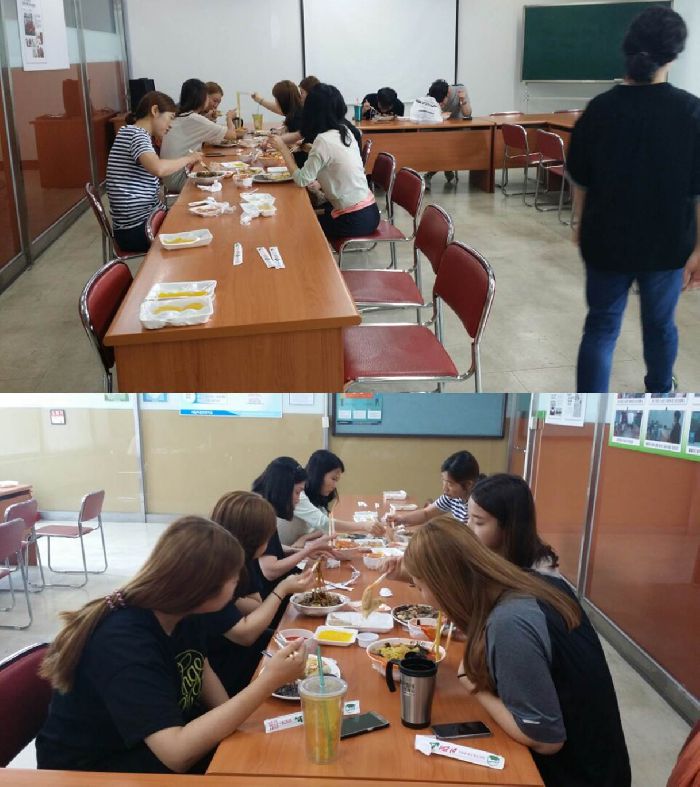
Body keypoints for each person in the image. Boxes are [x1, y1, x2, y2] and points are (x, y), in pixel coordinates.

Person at [36, 517, 306, 774]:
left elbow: (200, 669)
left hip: (157, 748)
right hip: (97, 771)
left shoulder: (184, 612)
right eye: (234, 578)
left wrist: (238, 725)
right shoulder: (123, 641)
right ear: (202, 588)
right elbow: (177, 754)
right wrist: (268, 681)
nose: (239, 584)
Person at [403, 519, 631, 787]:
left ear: (446, 585)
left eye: (420, 587)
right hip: (606, 763)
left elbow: (545, 740)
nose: (423, 597)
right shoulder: (533, 582)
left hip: (576, 774)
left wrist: (473, 685)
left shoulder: (508, 623)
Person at [567, 6, 700, 393]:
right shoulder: (691, 112)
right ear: (672, 57)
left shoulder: (599, 109)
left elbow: (581, 179)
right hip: (667, 245)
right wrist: (699, 248)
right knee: (660, 325)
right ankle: (660, 392)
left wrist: (578, 224)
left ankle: (590, 409)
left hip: (605, 240)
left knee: (601, 327)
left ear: (627, 49)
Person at [208, 491, 315, 695]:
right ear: (253, 539)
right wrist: (282, 589)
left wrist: (235, 600)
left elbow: (255, 605)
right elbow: (245, 635)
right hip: (225, 662)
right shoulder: (214, 572)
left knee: (304, 643)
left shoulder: (244, 560)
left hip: (237, 647)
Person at [269, 83, 379, 239]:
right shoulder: (344, 130)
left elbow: (301, 180)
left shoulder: (323, 140)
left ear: (312, 112)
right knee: (305, 214)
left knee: (296, 225)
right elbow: (333, 157)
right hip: (370, 211)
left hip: (353, 219)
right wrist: (307, 148)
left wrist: (283, 148)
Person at [105, 91, 200, 253]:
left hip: (140, 223)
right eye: (170, 118)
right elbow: (159, 168)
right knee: (198, 227)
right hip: (137, 229)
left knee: (194, 216)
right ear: (155, 111)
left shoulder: (130, 132)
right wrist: (189, 158)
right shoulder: (136, 135)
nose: (170, 125)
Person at [251, 457, 331, 594]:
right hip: (267, 592)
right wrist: (306, 552)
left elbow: (271, 549)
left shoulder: (263, 507)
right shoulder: (261, 515)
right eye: (297, 492)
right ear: (283, 490)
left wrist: (298, 551)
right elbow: (270, 570)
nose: (298, 499)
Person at [467, 474, 560, 575]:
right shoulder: (480, 554)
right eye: (468, 517)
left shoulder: (541, 576)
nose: (468, 526)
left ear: (509, 525)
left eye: (478, 522)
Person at [160, 78, 239, 192]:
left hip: (169, 177)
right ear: (202, 98)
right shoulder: (194, 119)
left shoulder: (180, 115)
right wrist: (229, 118)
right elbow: (232, 135)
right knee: (228, 183)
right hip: (179, 179)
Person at [292, 449, 385, 540]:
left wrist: (305, 538)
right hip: (290, 547)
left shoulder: (315, 495)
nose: (334, 485)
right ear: (318, 475)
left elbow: (323, 527)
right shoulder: (299, 495)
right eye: (333, 479)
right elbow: (324, 523)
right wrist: (363, 525)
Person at [386, 450, 481, 528]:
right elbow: (426, 513)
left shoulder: (479, 504)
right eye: (444, 481)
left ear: (468, 484)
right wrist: (401, 519)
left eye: (450, 484)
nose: (445, 489)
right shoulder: (453, 496)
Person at [412, 79, 472, 187]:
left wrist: (463, 100)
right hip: (439, 129)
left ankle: (431, 173)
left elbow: (467, 114)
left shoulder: (460, 90)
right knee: (435, 143)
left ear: (448, 94)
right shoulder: (432, 95)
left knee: (445, 146)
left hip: (456, 130)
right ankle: (446, 167)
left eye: (441, 102)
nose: (440, 104)